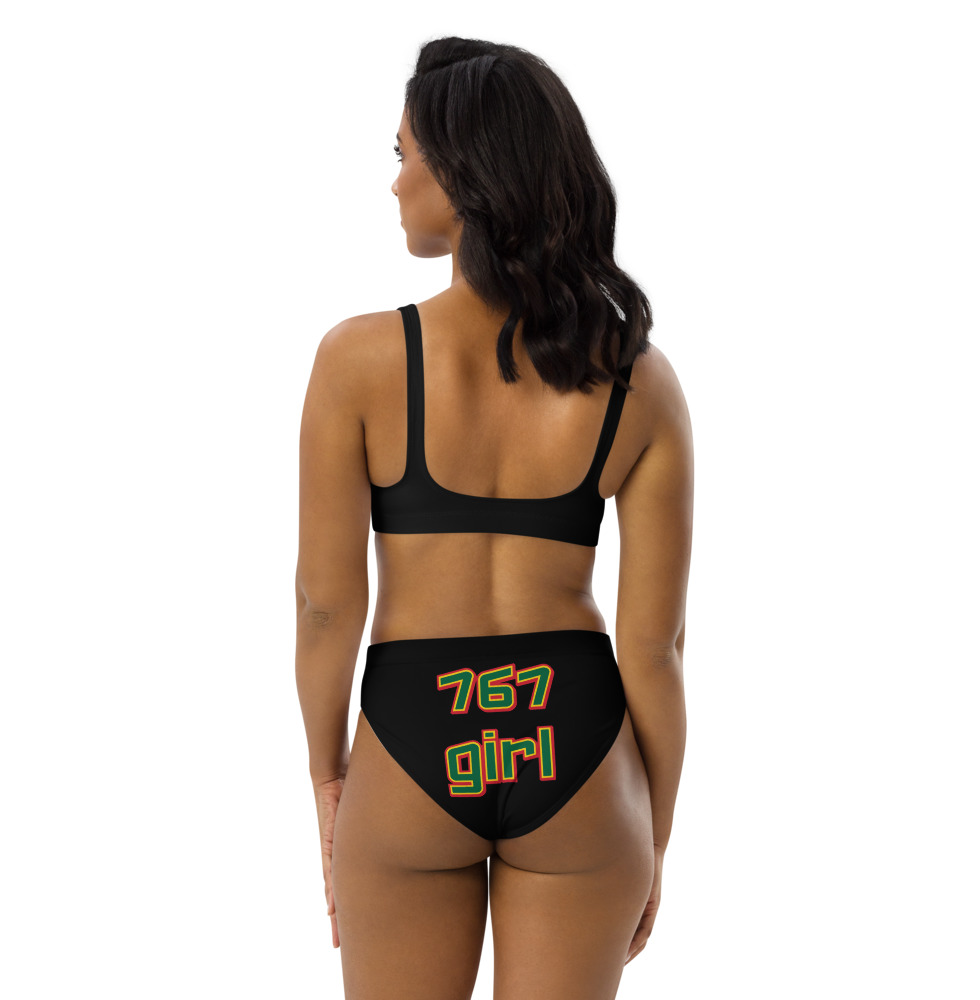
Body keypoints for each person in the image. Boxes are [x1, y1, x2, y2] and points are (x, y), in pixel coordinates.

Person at [296, 36, 692, 1000]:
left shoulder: (359, 362)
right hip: (577, 743)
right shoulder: (638, 380)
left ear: (462, 171)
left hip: (413, 734)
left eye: (403, 155)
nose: (394, 183)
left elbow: (324, 608)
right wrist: (652, 832)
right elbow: (655, 649)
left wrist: (328, 778)